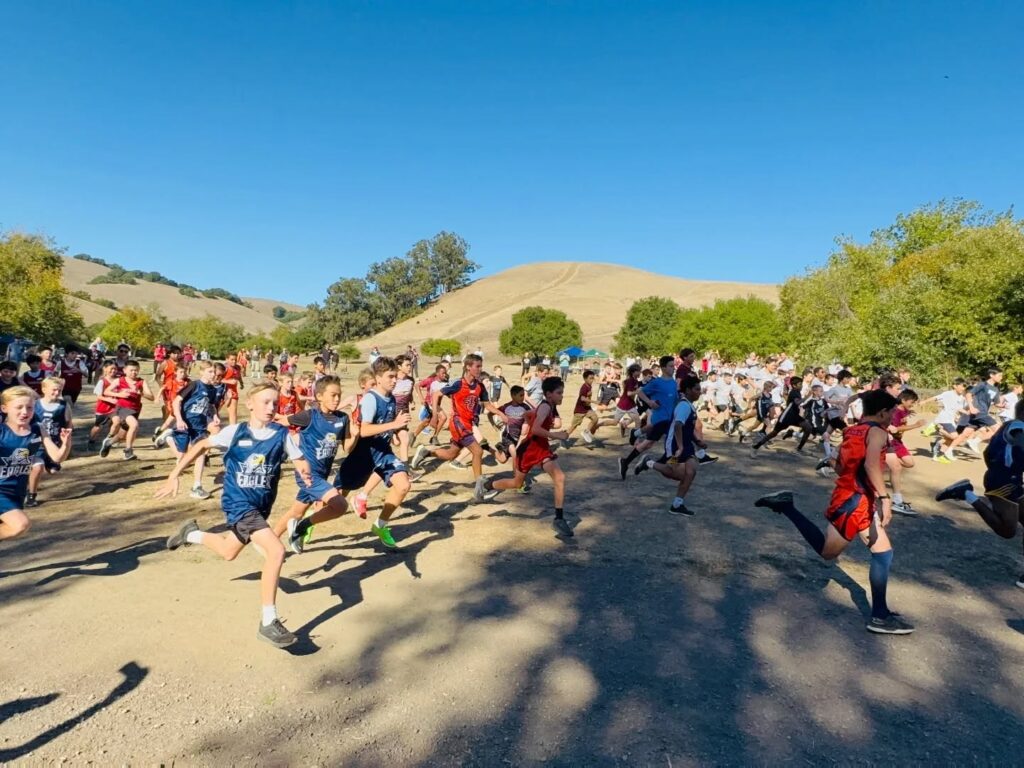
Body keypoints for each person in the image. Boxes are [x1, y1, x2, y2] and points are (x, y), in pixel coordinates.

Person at [159, 382, 311, 648]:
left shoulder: (281, 435)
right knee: (276, 551)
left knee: (229, 551)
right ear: (250, 404)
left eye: (274, 403)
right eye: (265, 402)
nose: (270, 407)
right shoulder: (235, 432)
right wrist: (175, 475)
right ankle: (268, 621)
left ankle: (190, 534)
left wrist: (306, 473)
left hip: (260, 506)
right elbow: (201, 446)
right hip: (238, 504)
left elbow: (299, 460)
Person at [756, 390, 914, 635]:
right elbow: (872, 465)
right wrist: (884, 497)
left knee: (883, 554)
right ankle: (787, 506)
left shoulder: (853, 431)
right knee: (829, 553)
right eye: (891, 412)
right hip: (855, 501)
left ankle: (880, 614)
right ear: (882, 412)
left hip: (852, 498)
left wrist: (832, 463)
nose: (893, 417)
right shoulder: (878, 433)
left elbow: (841, 468)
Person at [936, 400, 1024, 589]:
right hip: (1003, 484)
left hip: (1010, 480)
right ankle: (966, 494)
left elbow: (987, 452)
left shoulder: (1010, 425)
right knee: (1007, 531)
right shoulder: (1018, 429)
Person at [334, 357, 413, 549]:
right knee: (335, 503)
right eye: (390, 377)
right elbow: (364, 430)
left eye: (396, 377)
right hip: (363, 455)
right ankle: (307, 523)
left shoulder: (392, 399)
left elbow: (386, 424)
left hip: (383, 453)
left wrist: (394, 433)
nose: (395, 381)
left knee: (403, 485)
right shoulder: (370, 399)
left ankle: (380, 525)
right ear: (378, 378)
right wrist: (394, 425)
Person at [271, 375, 356, 552]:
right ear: (319, 396)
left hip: (322, 474)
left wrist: (355, 434)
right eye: (332, 395)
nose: (337, 399)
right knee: (340, 506)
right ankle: (302, 527)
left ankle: (270, 541)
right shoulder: (309, 416)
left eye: (339, 395)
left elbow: (347, 448)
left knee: (296, 511)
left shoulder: (343, 419)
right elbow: (282, 421)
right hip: (307, 474)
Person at [485, 376, 573, 538]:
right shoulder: (546, 407)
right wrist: (556, 435)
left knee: (559, 477)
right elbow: (536, 430)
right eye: (559, 393)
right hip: (528, 450)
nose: (562, 396)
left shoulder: (548, 406)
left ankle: (559, 519)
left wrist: (528, 421)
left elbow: (528, 414)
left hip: (541, 450)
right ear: (548, 394)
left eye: (562, 392)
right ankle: (487, 486)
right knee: (517, 483)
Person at [411, 354, 503, 503]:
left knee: (451, 454)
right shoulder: (458, 384)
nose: (480, 369)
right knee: (478, 451)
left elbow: (487, 405)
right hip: (458, 423)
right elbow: (436, 395)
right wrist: (434, 415)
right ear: (468, 367)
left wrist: (501, 414)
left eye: (481, 366)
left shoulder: (479, 386)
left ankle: (426, 451)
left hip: (468, 424)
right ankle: (480, 491)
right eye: (477, 366)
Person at [0, 386, 71, 540]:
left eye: (30, 407)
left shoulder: (37, 429)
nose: (25, 412)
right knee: (20, 524)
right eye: (18, 407)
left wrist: (66, 443)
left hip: (16, 492)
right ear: (4, 408)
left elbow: (57, 457)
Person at [634, 374, 705, 515]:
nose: (699, 392)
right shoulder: (684, 406)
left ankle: (677, 505)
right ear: (688, 390)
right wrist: (680, 447)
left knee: (690, 472)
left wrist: (697, 442)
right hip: (674, 445)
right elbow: (678, 426)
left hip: (686, 445)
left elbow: (687, 428)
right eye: (697, 389)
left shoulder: (690, 405)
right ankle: (649, 463)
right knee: (673, 472)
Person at [619, 356, 679, 479]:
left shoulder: (673, 383)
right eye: (671, 366)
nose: (673, 368)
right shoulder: (657, 382)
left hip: (671, 420)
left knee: (669, 445)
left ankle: (640, 460)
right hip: (660, 420)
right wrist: (649, 402)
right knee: (651, 444)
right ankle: (647, 463)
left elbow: (674, 400)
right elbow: (640, 392)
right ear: (663, 368)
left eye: (674, 366)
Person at [168, 361, 220, 500]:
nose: (213, 374)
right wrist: (179, 419)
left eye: (214, 371)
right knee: (183, 457)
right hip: (185, 424)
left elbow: (211, 405)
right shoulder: (194, 385)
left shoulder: (213, 390)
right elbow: (176, 401)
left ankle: (197, 486)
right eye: (210, 371)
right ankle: (169, 437)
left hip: (200, 426)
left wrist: (214, 416)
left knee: (200, 453)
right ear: (201, 372)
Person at [25, 377, 73, 508]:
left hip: (55, 443)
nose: (56, 393)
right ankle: (31, 495)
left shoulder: (63, 406)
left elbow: (69, 422)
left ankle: (31, 479)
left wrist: (68, 437)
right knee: (37, 468)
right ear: (44, 389)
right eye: (53, 390)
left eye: (59, 390)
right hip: (38, 443)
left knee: (53, 471)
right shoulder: (35, 405)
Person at [103, 359, 154, 460]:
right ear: (125, 370)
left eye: (136, 370)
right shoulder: (119, 380)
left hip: (135, 410)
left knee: (122, 436)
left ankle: (109, 442)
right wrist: (119, 394)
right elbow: (106, 392)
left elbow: (152, 397)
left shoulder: (141, 382)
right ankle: (128, 451)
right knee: (134, 425)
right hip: (122, 408)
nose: (134, 372)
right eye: (131, 370)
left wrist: (142, 393)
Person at [886, 389, 924, 516]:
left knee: (909, 463)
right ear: (903, 400)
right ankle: (897, 501)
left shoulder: (903, 410)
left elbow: (902, 422)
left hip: (898, 442)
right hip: (890, 441)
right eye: (911, 402)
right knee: (896, 468)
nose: (912, 405)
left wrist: (908, 414)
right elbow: (895, 429)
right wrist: (916, 425)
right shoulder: (894, 411)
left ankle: (888, 468)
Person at [221, 353, 245, 425]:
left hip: (233, 391)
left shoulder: (237, 367)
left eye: (235, 360)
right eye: (232, 360)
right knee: (214, 411)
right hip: (222, 391)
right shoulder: (224, 368)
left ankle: (233, 429)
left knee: (233, 412)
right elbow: (216, 380)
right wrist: (228, 381)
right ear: (227, 359)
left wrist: (241, 383)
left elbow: (238, 375)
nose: (234, 361)